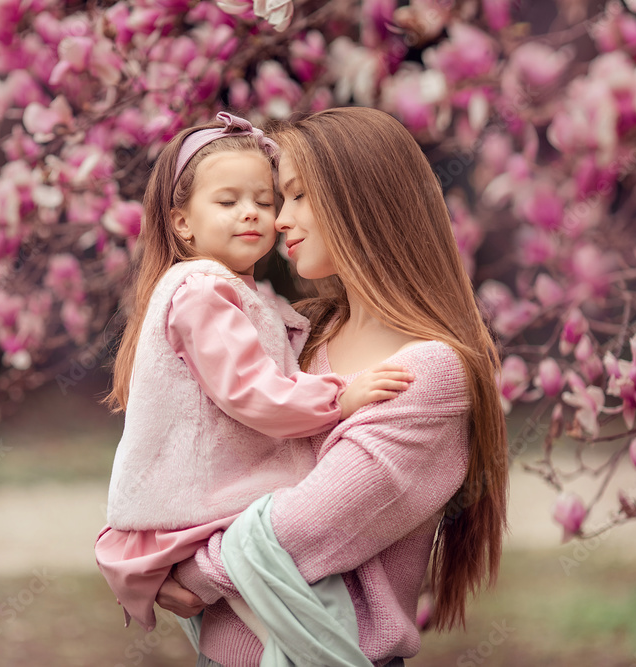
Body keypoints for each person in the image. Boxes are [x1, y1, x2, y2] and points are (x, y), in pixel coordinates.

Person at [155, 107, 509, 667]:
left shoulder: (431, 373)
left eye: (295, 196)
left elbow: (308, 527)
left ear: (360, 201)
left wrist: (191, 573)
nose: (276, 220)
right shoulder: (304, 333)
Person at [95, 112, 414, 637]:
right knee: (319, 621)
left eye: (265, 202)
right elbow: (252, 393)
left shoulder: (236, 293)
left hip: (218, 501)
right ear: (182, 223)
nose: (254, 215)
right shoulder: (202, 292)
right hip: (208, 498)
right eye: (228, 202)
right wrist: (341, 398)